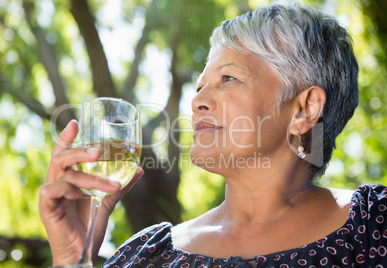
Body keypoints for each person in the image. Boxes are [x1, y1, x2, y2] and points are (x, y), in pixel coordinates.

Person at [39, 3, 387, 267]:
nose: (198, 101)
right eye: (200, 85)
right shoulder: (148, 254)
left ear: (305, 108)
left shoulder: (375, 223)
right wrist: (73, 257)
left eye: (228, 79)